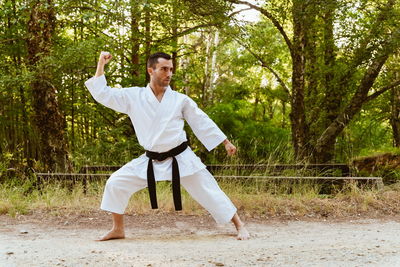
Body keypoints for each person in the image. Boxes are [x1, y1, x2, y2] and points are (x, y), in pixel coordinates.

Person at [85, 51, 250, 241]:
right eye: (164, 69)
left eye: (171, 69)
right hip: (151, 159)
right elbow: (103, 94)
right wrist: (101, 64)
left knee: (208, 189)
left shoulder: (180, 99)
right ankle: (118, 229)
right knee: (116, 183)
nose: (169, 73)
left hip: (181, 158)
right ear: (151, 70)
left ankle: (240, 225)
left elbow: (200, 120)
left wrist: (225, 142)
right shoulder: (133, 96)